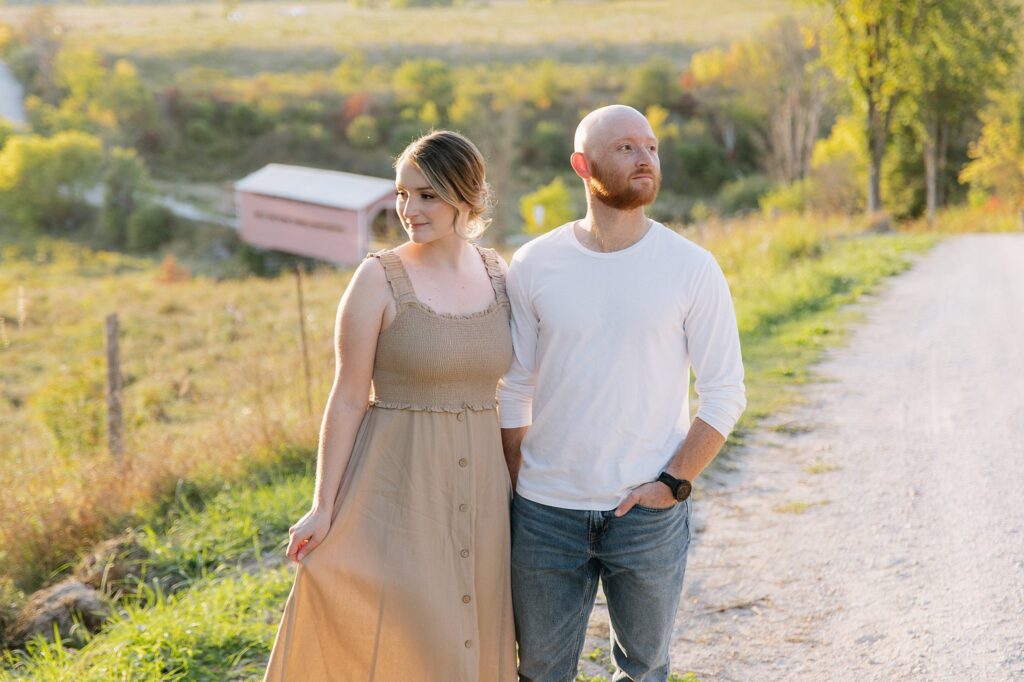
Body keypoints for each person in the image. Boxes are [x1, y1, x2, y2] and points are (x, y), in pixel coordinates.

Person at [498, 105, 746, 682]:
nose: (646, 159)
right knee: (538, 670)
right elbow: (513, 389)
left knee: (646, 669)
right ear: (583, 166)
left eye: (652, 147)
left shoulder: (691, 267)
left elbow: (725, 393)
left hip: (647, 515)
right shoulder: (534, 264)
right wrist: (520, 483)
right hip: (545, 512)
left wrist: (672, 483)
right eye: (627, 148)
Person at [264, 130, 517, 681]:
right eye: (402, 194)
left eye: (426, 195)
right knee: (419, 638)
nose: (409, 209)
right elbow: (349, 396)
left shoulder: (501, 274)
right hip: (398, 490)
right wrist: (323, 505)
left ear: (466, 196)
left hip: (485, 499)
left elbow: (525, 385)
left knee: (473, 634)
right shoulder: (377, 278)